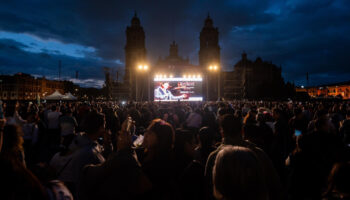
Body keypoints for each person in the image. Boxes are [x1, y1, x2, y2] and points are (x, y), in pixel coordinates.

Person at [205, 114, 285, 200]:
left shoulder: (214, 156)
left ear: (222, 133)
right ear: (242, 131)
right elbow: (274, 185)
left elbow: (208, 190)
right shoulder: (258, 153)